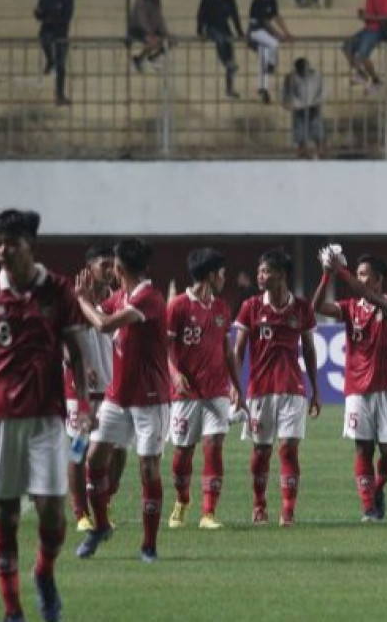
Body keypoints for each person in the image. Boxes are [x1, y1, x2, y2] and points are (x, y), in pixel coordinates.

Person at [0, 209, 88, 622]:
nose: (1, 251)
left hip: (47, 416)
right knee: (6, 512)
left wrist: (82, 405)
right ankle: (12, 609)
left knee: (53, 510)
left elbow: (75, 351)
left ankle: (44, 573)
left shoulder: (58, 290)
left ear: (30, 245)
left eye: (9, 242)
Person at [73, 239, 170, 564]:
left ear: (121, 268)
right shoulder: (122, 295)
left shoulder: (149, 298)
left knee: (147, 468)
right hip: (117, 396)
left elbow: (103, 324)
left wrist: (81, 299)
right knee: (94, 459)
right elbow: (92, 317)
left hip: (151, 399)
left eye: (114, 264)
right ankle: (100, 526)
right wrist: (81, 305)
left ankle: (148, 545)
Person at [312, 249, 387, 522]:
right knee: (363, 447)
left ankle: (377, 489)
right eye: (359, 273)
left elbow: (367, 295)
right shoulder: (351, 307)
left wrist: (341, 269)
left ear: (378, 280)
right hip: (356, 388)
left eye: (366, 275)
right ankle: (368, 509)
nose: (361, 279)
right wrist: (327, 274)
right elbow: (318, 307)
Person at [233, 249, 321, 526]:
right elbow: (237, 351)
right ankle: (259, 504)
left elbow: (308, 349)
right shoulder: (250, 307)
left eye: (265, 271)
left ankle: (288, 511)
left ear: (281, 275)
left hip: (293, 389)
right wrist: (235, 387)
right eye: (259, 272)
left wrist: (316, 389)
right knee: (261, 451)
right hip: (260, 390)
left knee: (288, 449)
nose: (260, 276)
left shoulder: (302, 308)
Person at [165, 248, 241, 531]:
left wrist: (237, 386)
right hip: (186, 393)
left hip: (216, 391)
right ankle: (182, 501)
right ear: (211, 275)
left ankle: (209, 512)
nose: (225, 278)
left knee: (213, 446)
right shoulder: (177, 306)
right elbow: (165, 347)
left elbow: (228, 351)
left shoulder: (222, 307)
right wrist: (174, 374)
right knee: (183, 452)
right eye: (222, 273)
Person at [63, 245, 119, 534]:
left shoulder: (117, 300)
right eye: (105, 265)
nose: (111, 271)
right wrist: (80, 366)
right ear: (89, 267)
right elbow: (63, 342)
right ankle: (80, 511)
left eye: (113, 265)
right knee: (78, 449)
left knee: (118, 452)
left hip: (113, 390)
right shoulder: (73, 300)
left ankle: (104, 500)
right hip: (79, 391)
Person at [342, 0, 387, 88]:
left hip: (378, 30)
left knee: (363, 55)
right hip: (368, 28)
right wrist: (363, 15)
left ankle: (375, 80)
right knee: (346, 46)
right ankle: (361, 73)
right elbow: (369, 17)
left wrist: (370, 17)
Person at [197, 0, 245, 99]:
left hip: (224, 27)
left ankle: (229, 89)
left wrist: (240, 32)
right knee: (220, 40)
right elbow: (201, 13)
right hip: (211, 26)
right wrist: (200, 31)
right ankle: (226, 62)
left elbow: (235, 15)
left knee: (230, 52)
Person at [248, 0, 293, 105]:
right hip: (256, 31)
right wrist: (278, 34)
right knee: (274, 43)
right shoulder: (258, 0)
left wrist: (287, 33)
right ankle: (272, 65)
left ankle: (263, 89)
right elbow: (265, 21)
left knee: (263, 61)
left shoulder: (272, 0)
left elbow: (276, 17)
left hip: (265, 33)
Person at [33, 0, 73, 106]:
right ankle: (50, 60)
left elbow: (66, 17)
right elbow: (40, 15)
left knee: (61, 66)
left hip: (60, 34)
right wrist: (38, 13)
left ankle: (59, 95)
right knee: (45, 40)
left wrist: (51, 19)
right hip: (48, 32)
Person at [282, 57, 327, 159]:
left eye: (304, 69)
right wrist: (287, 103)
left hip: (314, 105)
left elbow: (323, 90)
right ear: (296, 69)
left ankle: (321, 152)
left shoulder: (316, 75)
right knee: (300, 132)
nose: (302, 72)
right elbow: (287, 92)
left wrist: (319, 101)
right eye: (300, 70)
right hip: (299, 106)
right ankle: (302, 153)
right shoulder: (291, 77)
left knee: (318, 131)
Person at [129, 0, 169, 73]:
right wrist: (149, 31)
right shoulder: (142, 0)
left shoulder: (156, 0)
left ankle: (152, 57)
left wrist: (164, 30)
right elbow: (141, 17)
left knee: (169, 41)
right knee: (153, 42)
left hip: (152, 28)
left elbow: (159, 17)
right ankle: (141, 59)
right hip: (138, 28)